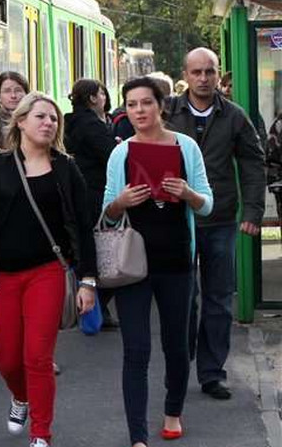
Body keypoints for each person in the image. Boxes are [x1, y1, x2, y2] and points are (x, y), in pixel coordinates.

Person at [0, 91, 97, 447]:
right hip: (3, 277)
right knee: (7, 359)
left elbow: (84, 228)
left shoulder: (66, 169)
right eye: (40, 116)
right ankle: (19, 397)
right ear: (20, 121)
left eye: (53, 118)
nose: (48, 123)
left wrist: (87, 281)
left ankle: (41, 434)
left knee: (37, 357)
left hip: (47, 272)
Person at [102, 76, 213, 447]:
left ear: (160, 106)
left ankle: (172, 412)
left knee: (177, 345)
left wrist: (187, 193)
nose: (138, 111)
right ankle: (138, 436)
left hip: (177, 260)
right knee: (136, 349)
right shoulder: (122, 153)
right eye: (131, 105)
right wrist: (122, 203)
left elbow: (207, 202)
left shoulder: (187, 148)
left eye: (145, 103)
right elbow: (107, 210)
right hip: (131, 263)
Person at [165, 47, 266, 400]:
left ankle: (212, 373)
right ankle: (183, 358)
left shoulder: (235, 116)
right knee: (183, 296)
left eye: (210, 72)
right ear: (186, 75)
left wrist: (253, 213)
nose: (204, 78)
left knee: (219, 298)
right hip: (175, 219)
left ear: (218, 73)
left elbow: (254, 165)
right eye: (197, 72)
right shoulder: (167, 112)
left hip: (220, 218)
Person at [64, 78, 119, 327]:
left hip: (78, 190)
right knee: (105, 248)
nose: (105, 98)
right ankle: (95, 303)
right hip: (95, 191)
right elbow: (109, 156)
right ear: (93, 98)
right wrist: (116, 145)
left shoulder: (70, 121)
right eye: (102, 94)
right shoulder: (92, 125)